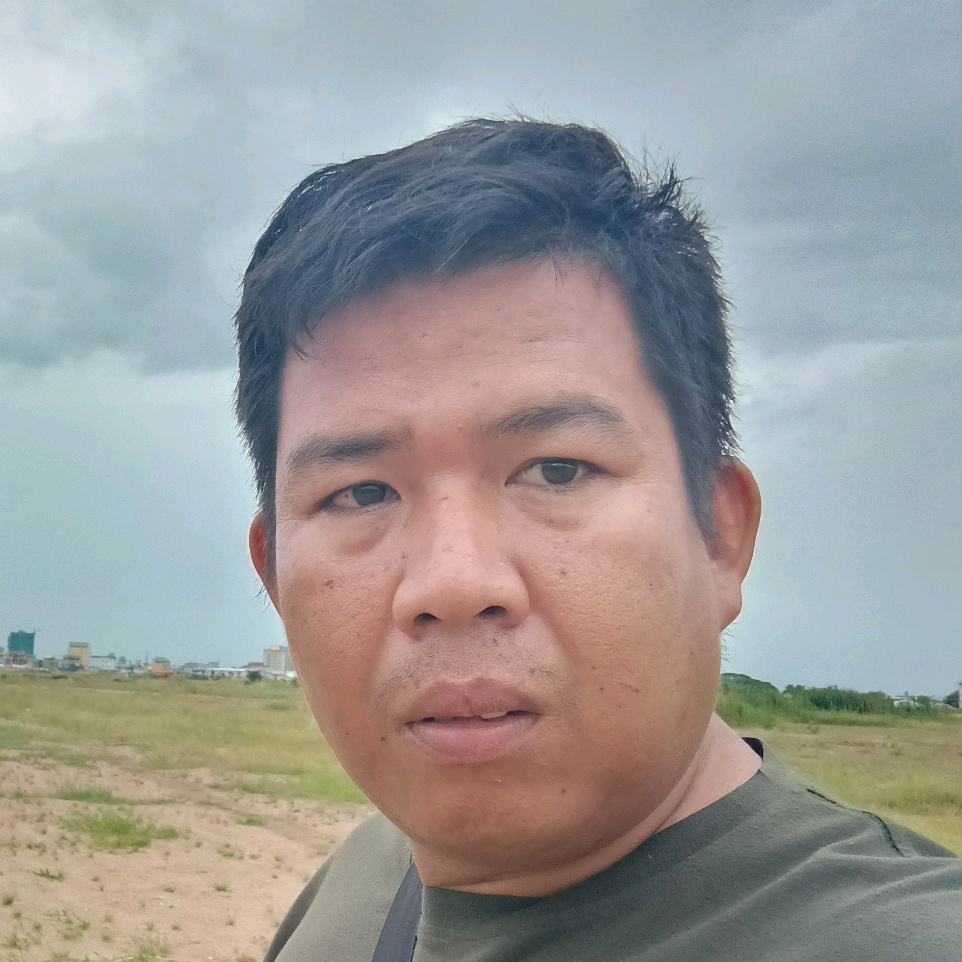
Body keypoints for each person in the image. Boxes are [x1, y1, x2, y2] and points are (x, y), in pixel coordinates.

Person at [234, 119, 961, 962]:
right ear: (275, 576)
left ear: (721, 536)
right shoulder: (360, 882)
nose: (453, 582)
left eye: (556, 470)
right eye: (362, 492)